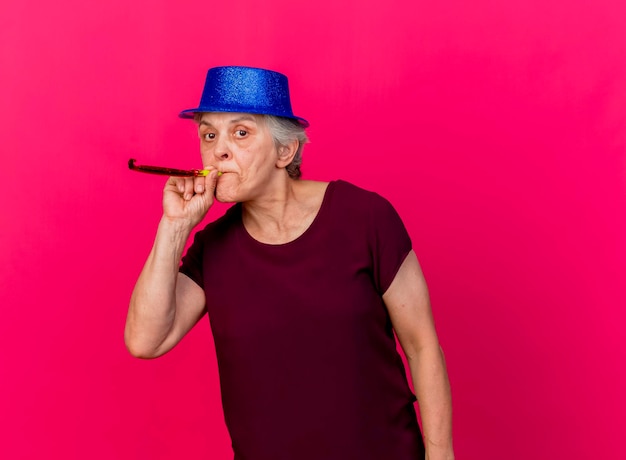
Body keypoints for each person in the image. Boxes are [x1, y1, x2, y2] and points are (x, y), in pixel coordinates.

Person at [125, 66, 454, 460]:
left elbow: (422, 347)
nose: (219, 150)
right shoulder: (213, 247)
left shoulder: (365, 217)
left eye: (241, 132)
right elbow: (145, 340)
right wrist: (174, 227)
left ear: (286, 150)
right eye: (209, 135)